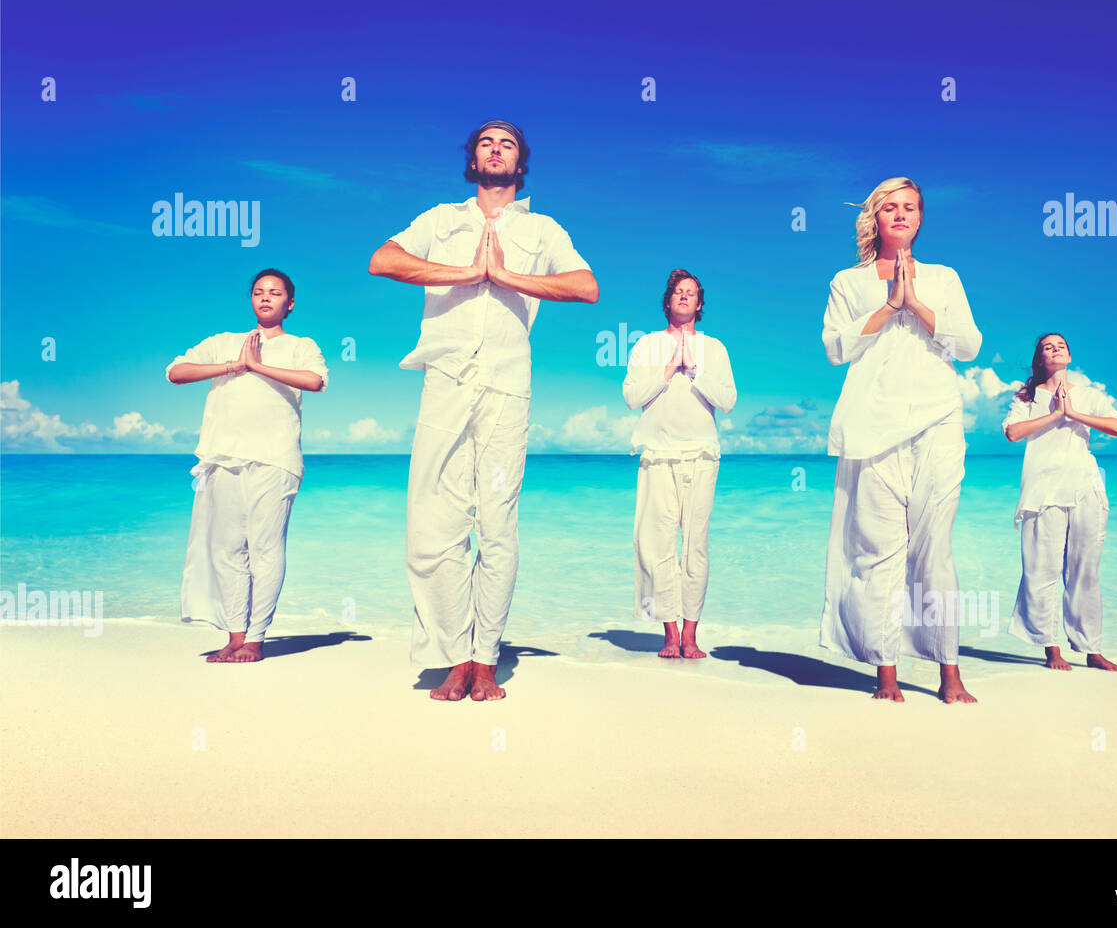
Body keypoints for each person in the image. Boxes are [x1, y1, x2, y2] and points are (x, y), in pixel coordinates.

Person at [368, 119, 598, 702]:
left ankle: (484, 656)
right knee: (434, 525)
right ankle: (451, 653)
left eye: (509, 144)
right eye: (486, 143)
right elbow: (383, 260)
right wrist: (466, 273)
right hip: (444, 377)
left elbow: (585, 286)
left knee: (496, 522)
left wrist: (507, 276)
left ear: (521, 163)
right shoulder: (440, 219)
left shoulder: (541, 227)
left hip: (506, 384)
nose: (496, 150)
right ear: (472, 158)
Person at [820, 177, 981, 703]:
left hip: (938, 420)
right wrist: (890, 305)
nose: (901, 214)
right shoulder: (849, 280)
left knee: (936, 551)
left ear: (921, 217)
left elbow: (969, 344)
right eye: (890, 207)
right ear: (875, 216)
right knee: (879, 553)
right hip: (871, 425)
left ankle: (949, 670)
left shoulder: (945, 276)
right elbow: (835, 348)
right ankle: (885, 673)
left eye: (910, 207)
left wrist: (917, 303)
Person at [166, 269, 328, 662]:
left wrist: (257, 367)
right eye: (259, 292)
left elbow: (315, 381)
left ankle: (257, 637)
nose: (266, 298)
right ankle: (235, 635)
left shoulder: (302, 345)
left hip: (276, 458)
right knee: (227, 549)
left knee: (266, 549)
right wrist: (234, 366)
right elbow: (176, 372)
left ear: (290, 303)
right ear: (251, 300)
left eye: (275, 293)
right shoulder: (224, 342)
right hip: (222, 456)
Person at [623, 270, 737, 659]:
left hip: (702, 454)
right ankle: (668, 633)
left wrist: (696, 370)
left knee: (696, 547)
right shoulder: (646, 345)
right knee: (655, 545)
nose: (685, 298)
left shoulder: (716, 348)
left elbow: (728, 400)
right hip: (656, 453)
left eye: (691, 293)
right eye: (678, 292)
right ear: (668, 301)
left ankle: (691, 635)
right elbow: (631, 397)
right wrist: (668, 370)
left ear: (699, 304)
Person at [1002, 333, 1117, 671]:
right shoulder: (1026, 396)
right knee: (1041, 571)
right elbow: (1013, 432)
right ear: (1040, 359)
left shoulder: (1089, 394)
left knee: (1085, 572)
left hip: (1085, 489)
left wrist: (1073, 412)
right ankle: (1051, 647)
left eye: (1060, 345)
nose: (1054, 349)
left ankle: (1091, 648)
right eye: (1047, 347)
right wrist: (1056, 415)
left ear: (1069, 355)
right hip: (1043, 493)